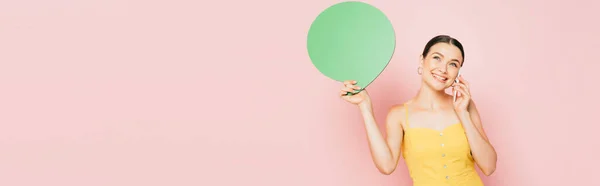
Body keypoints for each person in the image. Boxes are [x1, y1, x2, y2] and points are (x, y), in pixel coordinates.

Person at [339, 35, 497, 186]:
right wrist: (365, 107)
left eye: (453, 64)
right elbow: (386, 166)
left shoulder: (466, 106)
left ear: (458, 73)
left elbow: (489, 166)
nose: (443, 69)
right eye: (437, 58)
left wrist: (463, 114)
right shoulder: (399, 115)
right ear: (422, 60)